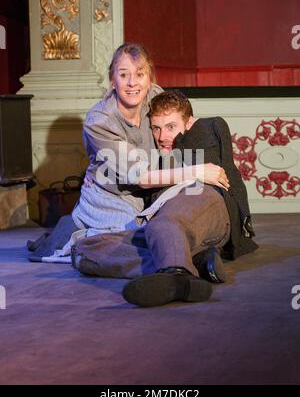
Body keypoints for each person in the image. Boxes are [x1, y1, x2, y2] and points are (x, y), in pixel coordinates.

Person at [28, 43, 228, 267]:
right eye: (124, 75)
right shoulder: (100, 121)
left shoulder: (155, 96)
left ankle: (183, 256)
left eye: (139, 74)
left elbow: (179, 133)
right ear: (113, 80)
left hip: (153, 190)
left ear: (149, 77)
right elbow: (140, 177)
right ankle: (189, 261)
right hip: (111, 197)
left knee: (186, 215)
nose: (133, 83)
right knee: (139, 237)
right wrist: (198, 171)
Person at [71, 90, 258, 307]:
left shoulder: (204, 131)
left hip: (203, 201)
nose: (162, 136)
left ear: (189, 123)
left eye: (171, 127)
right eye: (156, 128)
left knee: (164, 223)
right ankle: (191, 263)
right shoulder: (153, 155)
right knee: (86, 248)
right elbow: (129, 171)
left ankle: (176, 271)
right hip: (169, 223)